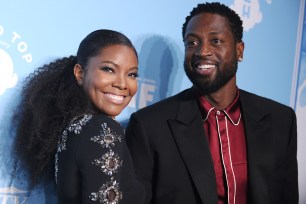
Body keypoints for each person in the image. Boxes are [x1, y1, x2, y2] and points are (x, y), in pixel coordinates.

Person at [125, 2, 298, 204]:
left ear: (239, 50)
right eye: (192, 43)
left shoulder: (280, 120)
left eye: (215, 40)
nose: (202, 51)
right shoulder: (149, 126)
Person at [12, 29, 145, 204]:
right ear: (80, 73)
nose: (121, 83)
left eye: (131, 74)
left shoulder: (75, 126)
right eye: (109, 69)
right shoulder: (102, 128)